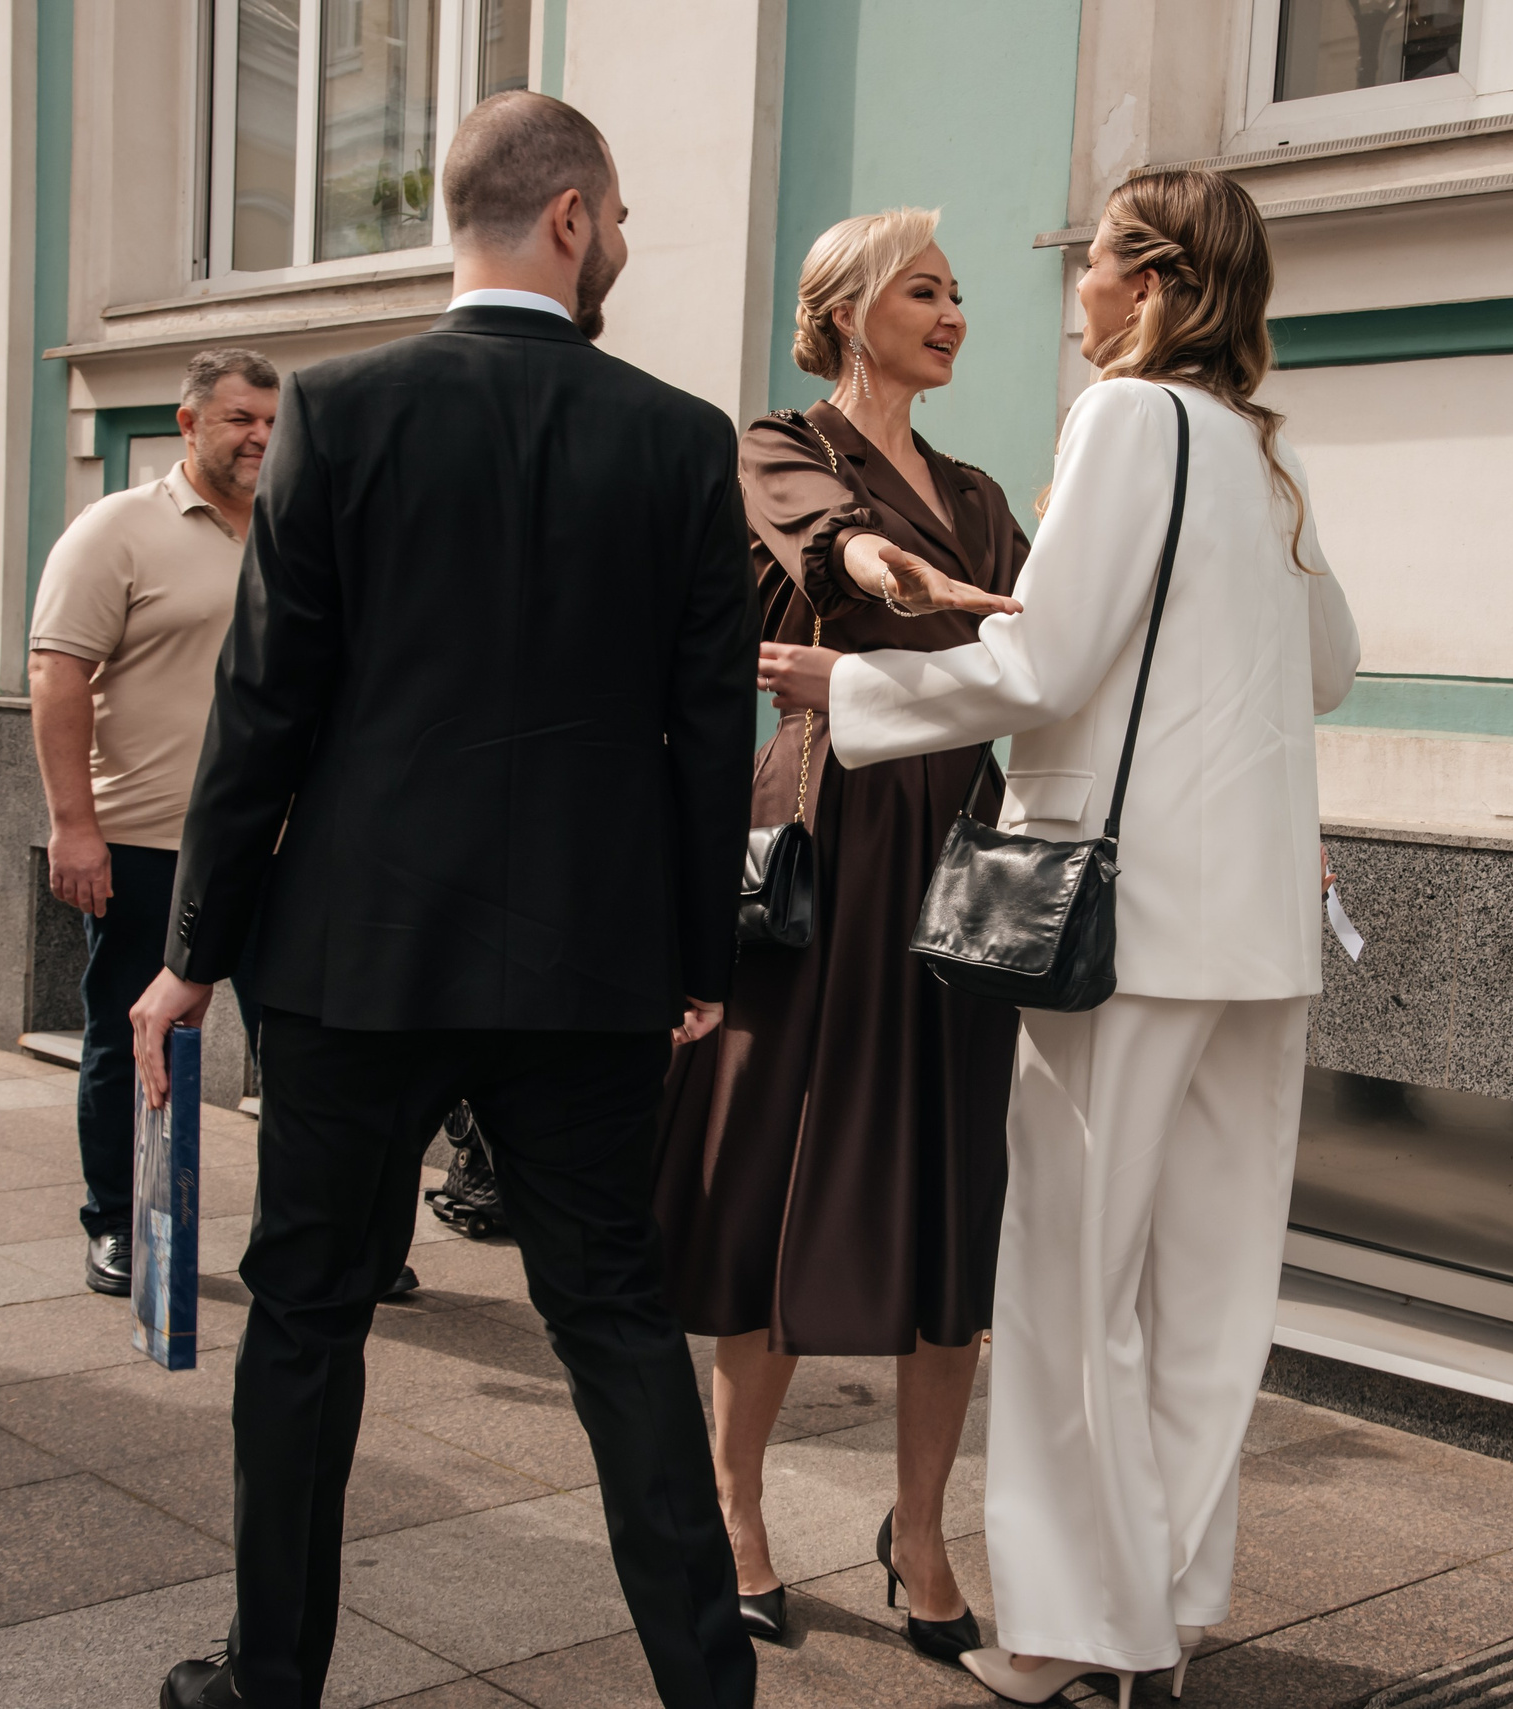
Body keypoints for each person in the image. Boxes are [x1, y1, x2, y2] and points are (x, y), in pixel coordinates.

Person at [130, 93, 757, 1709]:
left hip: (358, 949)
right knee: (617, 1319)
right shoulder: (682, 435)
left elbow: (267, 698)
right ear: (566, 219)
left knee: (308, 1316)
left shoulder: (337, 412)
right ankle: (709, 1684)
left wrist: (191, 952)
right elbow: (709, 726)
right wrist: (697, 955)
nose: (620, 246)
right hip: (592, 959)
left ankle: (271, 1677)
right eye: (613, 220)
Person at [757, 169, 1363, 1707]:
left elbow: (1050, 655)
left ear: (1151, 288)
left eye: (1093, 262)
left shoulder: (1127, 419)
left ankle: (1061, 1634)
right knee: (1208, 1299)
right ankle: (1161, 1614)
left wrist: (860, 695)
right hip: (1257, 932)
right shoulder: (1255, 448)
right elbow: (1332, 668)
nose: (1070, 288)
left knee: (1070, 1291)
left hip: (1121, 918)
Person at [652, 207, 1023, 1660]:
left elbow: (1044, 645)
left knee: (953, 1195)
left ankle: (918, 1529)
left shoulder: (988, 490)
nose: (952, 313)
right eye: (923, 289)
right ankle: (736, 1508)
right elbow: (832, 546)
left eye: (957, 292)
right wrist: (902, 580)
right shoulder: (775, 443)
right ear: (849, 307)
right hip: (826, 839)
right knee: (776, 1179)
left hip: (963, 855)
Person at [28, 349, 279, 1299]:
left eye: (271, 422)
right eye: (239, 418)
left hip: (279, 849)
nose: (260, 436)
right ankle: (121, 1223)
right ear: (187, 423)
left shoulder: (294, 531)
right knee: (132, 1041)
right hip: (144, 843)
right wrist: (73, 827)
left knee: (297, 1051)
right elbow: (57, 677)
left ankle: (304, 1236)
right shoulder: (116, 530)